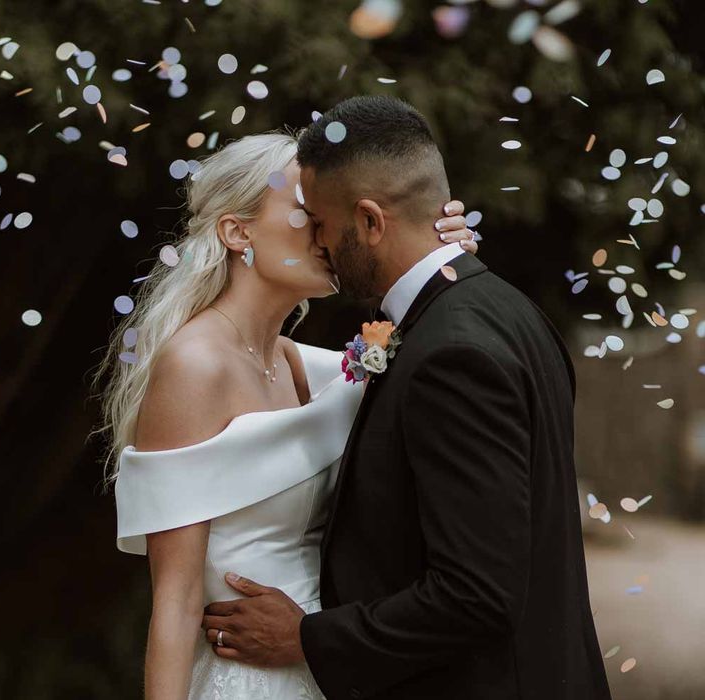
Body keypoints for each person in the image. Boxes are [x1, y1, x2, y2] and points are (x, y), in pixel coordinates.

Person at [200, 96, 613, 700]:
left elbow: (477, 595)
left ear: (370, 221)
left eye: (321, 223)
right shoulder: (507, 310)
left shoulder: (450, 354)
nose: (318, 242)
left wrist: (310, 639)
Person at [95, 129, 476, 698]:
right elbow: (174, 606)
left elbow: (425, 374)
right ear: (236, 231)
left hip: (328, 666)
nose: (330, 228)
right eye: (307, 210)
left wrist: (440, 257)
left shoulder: (299, 365)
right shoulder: (195, 367)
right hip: (246, 678)